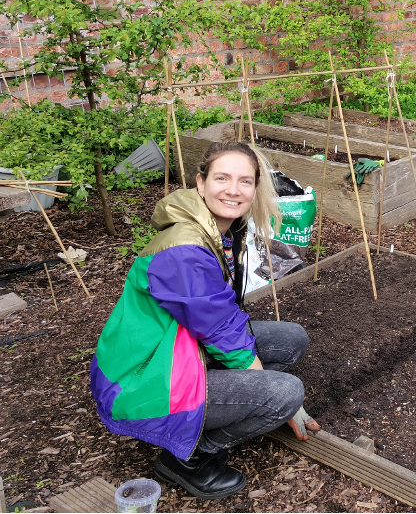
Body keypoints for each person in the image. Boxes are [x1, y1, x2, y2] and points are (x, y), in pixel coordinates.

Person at [90, 142, 320, 500]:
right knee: (285, 393)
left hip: (177, 347)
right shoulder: (184, 248)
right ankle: (189, 458)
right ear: (200, 183)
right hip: (140, 378)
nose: (233, 189)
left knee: (291, 339)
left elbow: (223, 315)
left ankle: (216, 403)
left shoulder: (221, 228)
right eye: (222, 178)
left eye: (245, 181)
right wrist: (283, 404)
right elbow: (220, 330)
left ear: (255, 187)